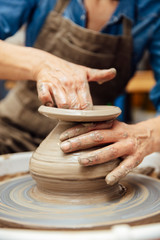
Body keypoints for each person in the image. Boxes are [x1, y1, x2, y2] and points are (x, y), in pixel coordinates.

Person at [0, 0, 160, 185]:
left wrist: (145, 134)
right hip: (14, 129)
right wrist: (41, 65)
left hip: (91, 145)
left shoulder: (153, 7)